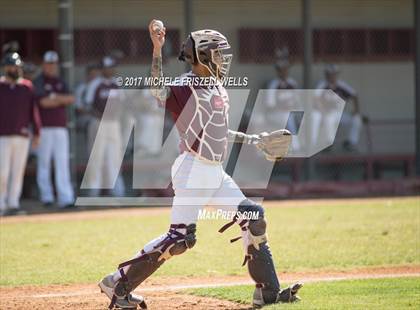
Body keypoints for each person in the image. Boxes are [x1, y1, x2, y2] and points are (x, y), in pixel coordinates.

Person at [98, 20, 303, 309]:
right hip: (192, 169)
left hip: (215, 173)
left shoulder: (218, 87)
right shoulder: (185, 84)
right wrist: (157, 50)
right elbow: (158, 91)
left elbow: (217, 133)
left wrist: (253, 139)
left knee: (254, 217)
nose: (223, 59)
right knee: (179, 240)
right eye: (218, 53)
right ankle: (117, 284)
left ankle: (268, 292)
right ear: (203, 56)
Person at [0, 52, 41, 216]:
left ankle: (13, 203)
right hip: (2, 135)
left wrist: (37, 132)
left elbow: (34, 111)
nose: (13, 68)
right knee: (2, 171)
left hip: (22, 135)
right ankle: (1, 203)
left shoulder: (26, 86)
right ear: (5, 67)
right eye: (10, 65)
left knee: (18, 171)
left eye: (16, 66)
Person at [33, 51, 75, 208]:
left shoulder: (60, 81)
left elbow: (71, 98)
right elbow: (43, 102)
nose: (51, 67)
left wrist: (54, 97)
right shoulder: (38, 81)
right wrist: (59, 99)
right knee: (44, 163)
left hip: (60, 128)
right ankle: (47, 197)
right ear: (43, 64)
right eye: (49, 64)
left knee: (62, 162)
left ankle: (66, 198)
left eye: (54, 64)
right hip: (43, 128)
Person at [84, 56, 125, 197]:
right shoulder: (95, 84)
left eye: (111, 67)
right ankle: (93, 191)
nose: (110, 70)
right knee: (96, 157)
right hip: (99, 123)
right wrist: (101, 116)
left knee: (114, 157)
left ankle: (117, 191)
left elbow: (122, 104)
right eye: (107, 67)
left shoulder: (116, 84)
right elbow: (88, 105)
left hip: (113, 124)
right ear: (102, 69)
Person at [312, 64, 363, 152]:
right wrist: (322, 110)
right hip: (326, 113)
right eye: (330, 74)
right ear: (326, 75)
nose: (332, 76)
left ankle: (351, 142)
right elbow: (315, 98)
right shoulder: (322, 85)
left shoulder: (341, 85)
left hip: (340, 114)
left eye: (334, 74)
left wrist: (356, 110)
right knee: (329, 118)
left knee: (357, 119)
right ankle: (327, 144)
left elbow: (354, 95)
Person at [266, 59, 300, 151]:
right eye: (282, 70)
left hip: (291, 112)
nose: (284, 72)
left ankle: (305, 145)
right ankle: (296, 147)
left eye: (286, 69)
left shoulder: (292, 83)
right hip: (275, 114)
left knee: (298, 116)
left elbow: (298, 102)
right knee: (287, 116)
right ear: (278, 71)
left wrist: (292, 108)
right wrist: (283, 108)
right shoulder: (273, 85)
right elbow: (270, 107)